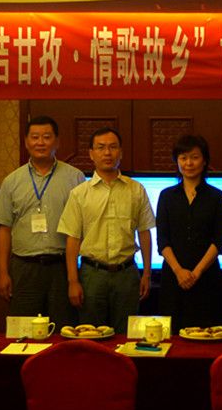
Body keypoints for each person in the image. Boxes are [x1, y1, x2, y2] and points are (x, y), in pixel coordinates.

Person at [57, 127, 155, 334]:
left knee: (127, 335)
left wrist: (146, 273)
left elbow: (144, 232)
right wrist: (73, 281)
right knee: (91, 334)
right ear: (91, 154)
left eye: (113, 147)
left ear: (121, 152)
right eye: (101, 148)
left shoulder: (136, 190)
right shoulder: (79, 194)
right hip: (92, 275)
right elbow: (72, 240)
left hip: (127, 274)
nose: (107, 153)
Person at [0, 116, 85, 325]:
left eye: (46, 137)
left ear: (57, 142)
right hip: (24, 267)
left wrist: (75, 277)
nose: (40, 142)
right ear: (26, 142)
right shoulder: (12, 181)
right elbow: (3, 229)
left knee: (63, 328)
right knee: (23, 329)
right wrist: (2, 273)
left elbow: (83, 227)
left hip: (62, 267)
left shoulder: (75, 178)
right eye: (35, 137)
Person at [156, 135, 222, 331]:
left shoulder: (217, 197)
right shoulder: (166, 196)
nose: (189, 163)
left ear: (204, 161)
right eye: (183, 158)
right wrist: (179, 271)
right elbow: (162, 240)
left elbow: (219, 240)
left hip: (207, 278)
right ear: (177, 161)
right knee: (172, 334)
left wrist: (196, 273)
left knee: (207, 334)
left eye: (195, 157)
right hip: (173, 277)